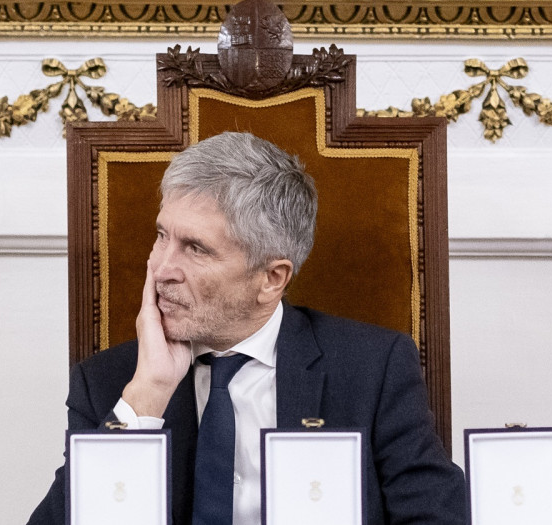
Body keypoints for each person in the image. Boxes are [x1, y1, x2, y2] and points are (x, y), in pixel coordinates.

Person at [28, 132, 465, 524]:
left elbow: (435, 516)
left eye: (195, 248)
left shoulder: (373, 368)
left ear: (271, 278)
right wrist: (146, 399)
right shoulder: (109, 382)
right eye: (162, 236)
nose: (161, 268)